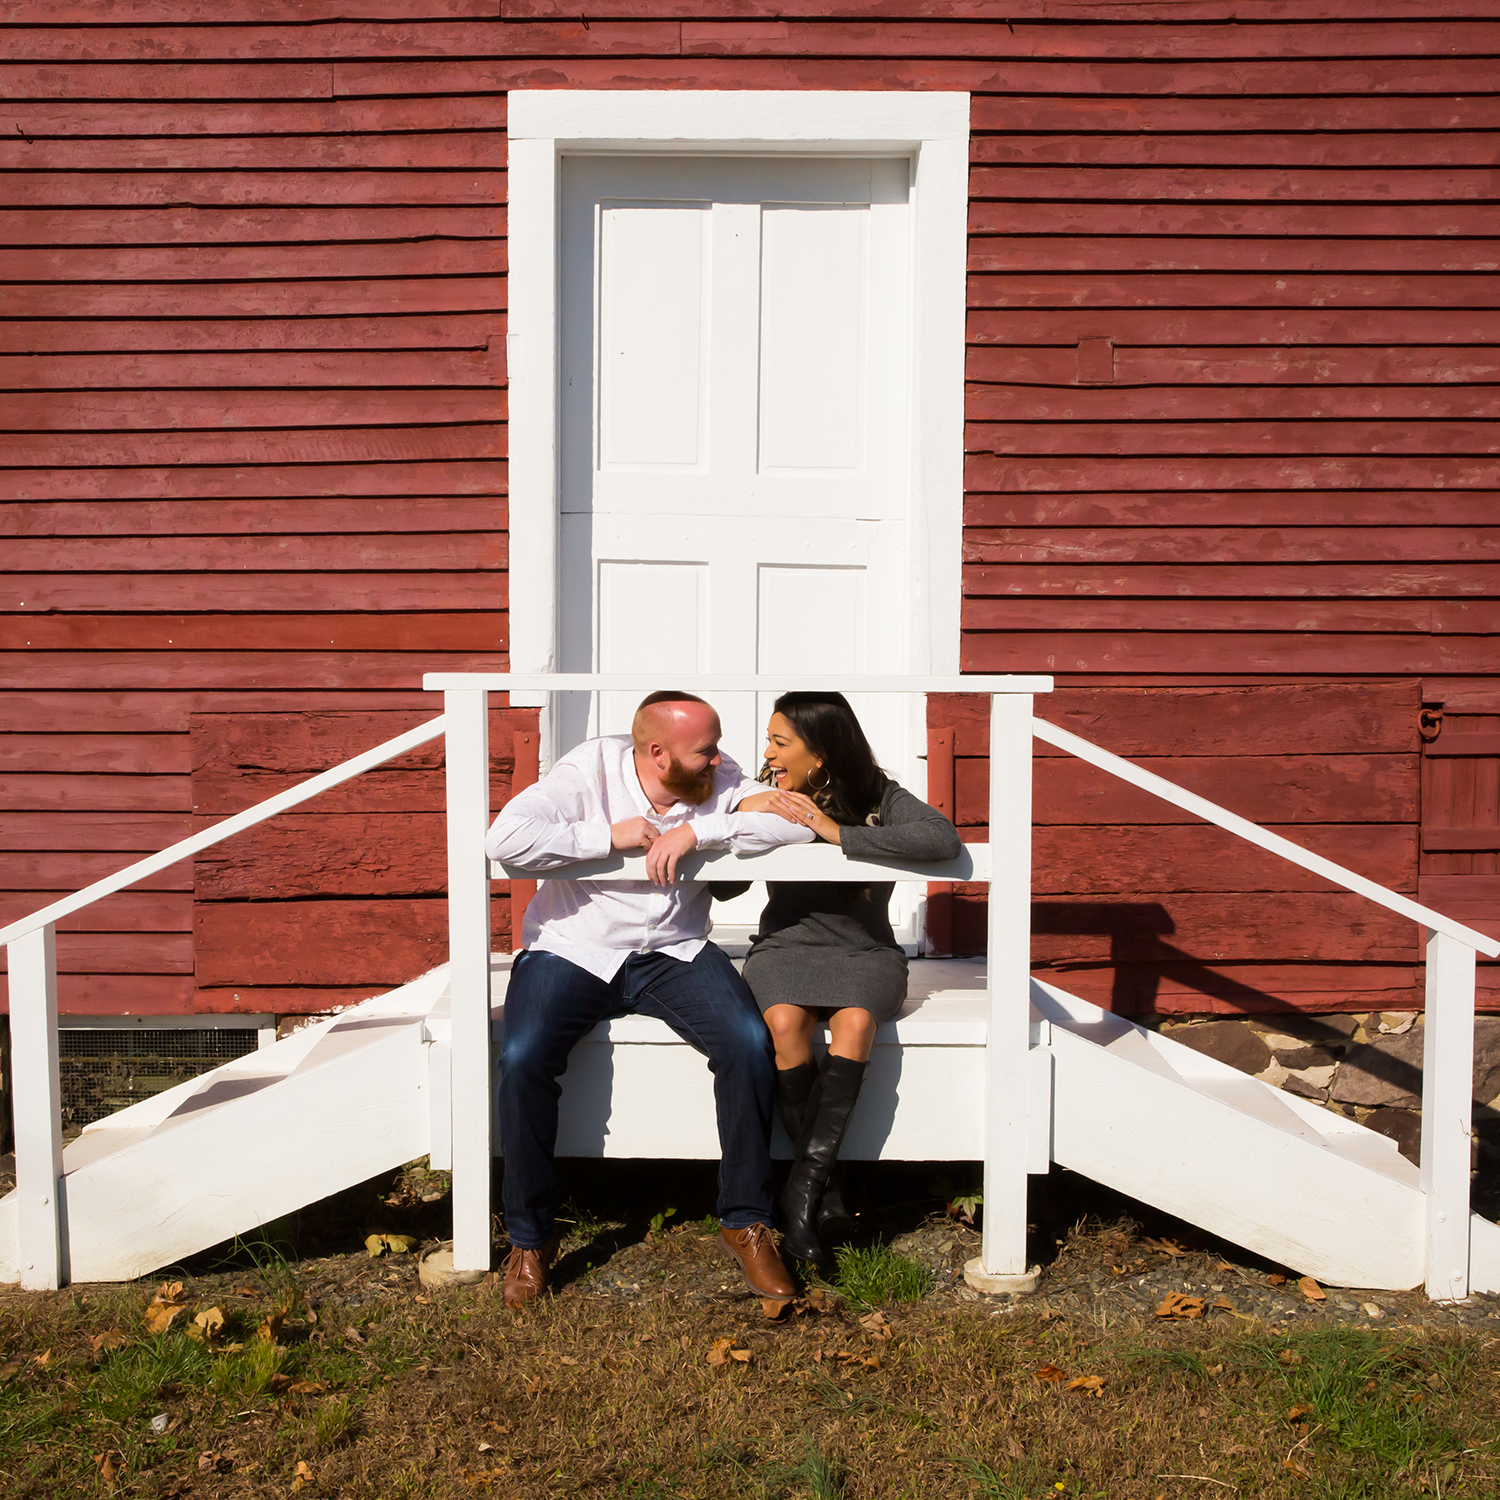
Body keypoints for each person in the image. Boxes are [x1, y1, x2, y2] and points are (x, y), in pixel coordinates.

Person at [483, 690, 814, 1309]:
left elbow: (784, 819)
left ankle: (745, 1221)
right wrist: (608, 836)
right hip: (573, 948)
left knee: (746, 1043)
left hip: (674, 949)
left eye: (717, 750)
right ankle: (530, 1237)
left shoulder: (719, 777)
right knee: (523, 1058)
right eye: (706, 752)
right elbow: (505, 839)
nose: (721, 762)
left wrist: (700, 828)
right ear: (657, 754)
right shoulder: (589, 770)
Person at [737, 692, 962, 1266]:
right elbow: (720, 889)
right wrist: (741, 817)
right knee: (784, 1022)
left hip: (865, 951)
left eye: (779, 741)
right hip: (786, 945)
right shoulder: (768, 793)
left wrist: (838, 834)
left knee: (856, 1021)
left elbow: (942, 839)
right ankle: (824, 1197)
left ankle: (800, 1198)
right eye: (769, 740)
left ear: (821, 749)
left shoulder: (877, 794)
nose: (767, 752)